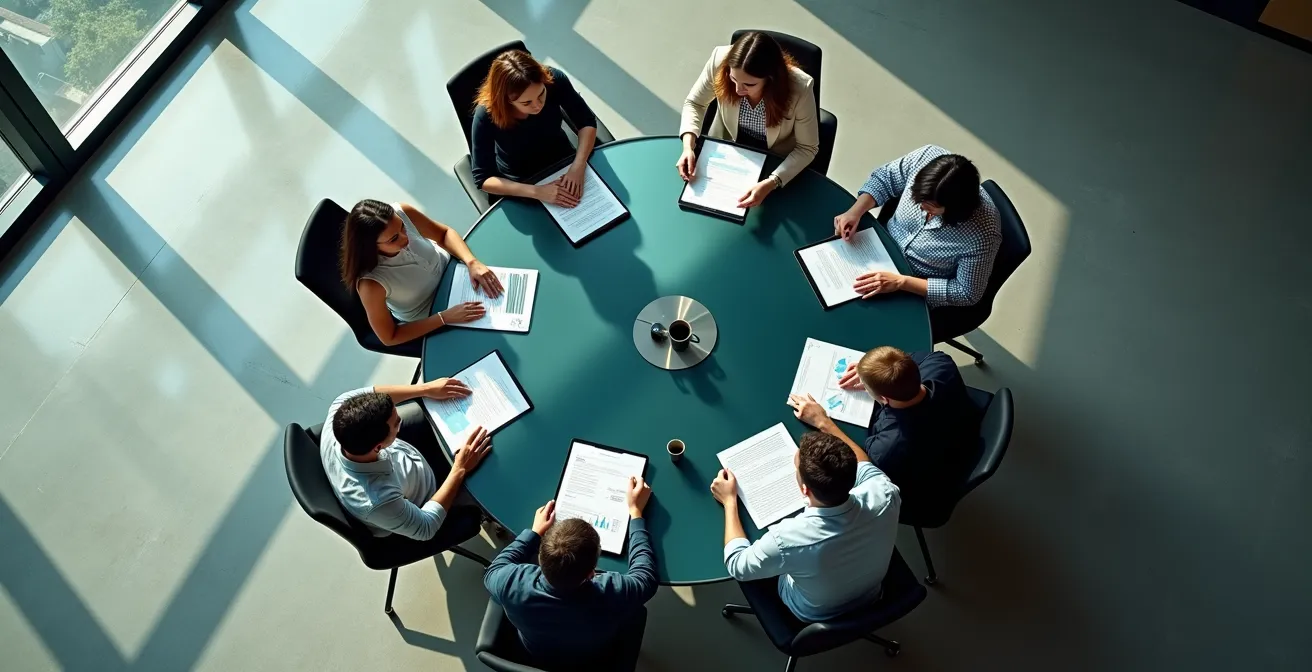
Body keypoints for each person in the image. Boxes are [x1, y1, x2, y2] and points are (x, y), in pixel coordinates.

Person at [710, 430, 900, 622]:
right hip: (870, 594)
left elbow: (737, 564)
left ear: (804, 489)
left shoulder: (786, 540)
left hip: (813, 613)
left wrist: (729, 501)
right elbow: (865, 466)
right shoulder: (885, 492)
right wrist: (823, 422)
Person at [484, 478, 657, 666]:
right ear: (592, 573)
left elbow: (493, 570)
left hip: (537, 653)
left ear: (540, 558)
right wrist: (636, 512)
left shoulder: (512, 583)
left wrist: (533, 533)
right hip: (592, 658)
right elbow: (646, 577)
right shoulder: (612, 594)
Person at [319, 377, 491, 542]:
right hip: (429, 494)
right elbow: (426, 528)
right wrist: (460, 468)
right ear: (378, 447)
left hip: (409, 463)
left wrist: (426, 389)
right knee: (490, 483)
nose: (399, 422)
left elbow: (372, 391)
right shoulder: (378, 500)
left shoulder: (340, 412)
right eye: (396, 423)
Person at [824, 346, 982, 520]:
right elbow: (905, 362)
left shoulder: (889, 446)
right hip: (961, 433)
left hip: (926, 489)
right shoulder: (940, 363)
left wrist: (824, 423)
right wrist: (875, 374)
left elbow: (865, 467)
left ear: (884, 399)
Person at [832, 145, 1001, 308]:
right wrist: (856, 211)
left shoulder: (984, 234)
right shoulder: (926, 157)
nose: (920, 207)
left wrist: (901, 282)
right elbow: (885, 178)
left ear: (954, 207)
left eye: (930, 206)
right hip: (875, 248)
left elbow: (966, 293)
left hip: (913, 285)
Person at [677, 31, 820, 208]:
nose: (738, 90)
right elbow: (695, 103)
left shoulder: (800, 87)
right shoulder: (719, 60)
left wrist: (773, 181)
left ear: (771, 79)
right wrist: (688, 146)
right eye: (733, 79)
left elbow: (807, 148)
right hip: (726, 152)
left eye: (749, 85)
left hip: (775, 162)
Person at [339, 199, 503, 347]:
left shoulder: (403, 212)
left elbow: (443, 234)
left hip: (459, 276)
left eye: (402, 226)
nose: (405, 238)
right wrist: (444, 318)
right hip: (434, 315)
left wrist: (471, 262)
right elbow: (390, 337)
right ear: (370, 246)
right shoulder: (371, 284)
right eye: (394, 239)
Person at [471, 50, 600, 208]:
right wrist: (537, 192)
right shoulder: (486, 114)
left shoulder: (554, 79)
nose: (538, 105)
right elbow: (483, 179)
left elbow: (586, 121)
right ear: (506, 101)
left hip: (564, 160)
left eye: (541, 94)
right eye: (526, 103)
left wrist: (578, 166)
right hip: (521, 181)